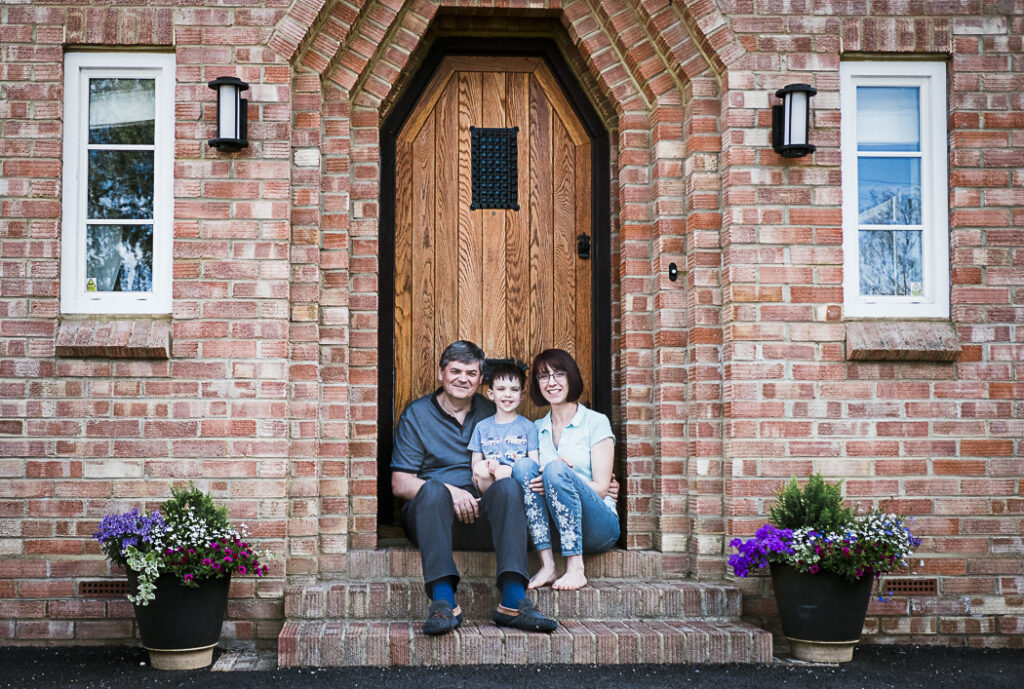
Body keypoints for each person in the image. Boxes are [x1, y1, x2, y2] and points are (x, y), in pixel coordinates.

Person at [391, 341, 557, 636]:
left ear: (481, 379)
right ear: (441, 373)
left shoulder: (492, 412)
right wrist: (450, 491)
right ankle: (443, 601)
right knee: (431, 491)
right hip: (433, 518)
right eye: (455, 370)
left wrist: (588, 479)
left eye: (471, 372)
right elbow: (400, 482)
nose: (462, 378)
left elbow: (533, 454)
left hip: (484, 517)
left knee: (507, 487)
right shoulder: (416, 415)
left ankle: (513, 600)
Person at [512, 348, 620, 591]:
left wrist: (557, 478)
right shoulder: (535, 428)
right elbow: (527, 478)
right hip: (554, 529)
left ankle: (575, 569)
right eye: (543, 376)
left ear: (571, 377)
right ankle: (548, 565)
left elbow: (603, 488)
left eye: (558, 374)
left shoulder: (595, 422)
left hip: (597, 527)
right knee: (523, 466)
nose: (551, 382)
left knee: (555, 470)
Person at [469, 362, 539, 494]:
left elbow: (533, 464)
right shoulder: (481, 427)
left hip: (517, 486)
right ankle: (492, 502)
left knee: (504, 472)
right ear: (491, 394)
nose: (508, 394)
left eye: (514, 389)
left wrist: (508, 471)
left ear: (522, 395)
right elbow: (475, 465)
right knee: (480, 468)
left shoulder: (529, 427)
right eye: (501, 389)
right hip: (488, 485)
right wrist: (490, 465)